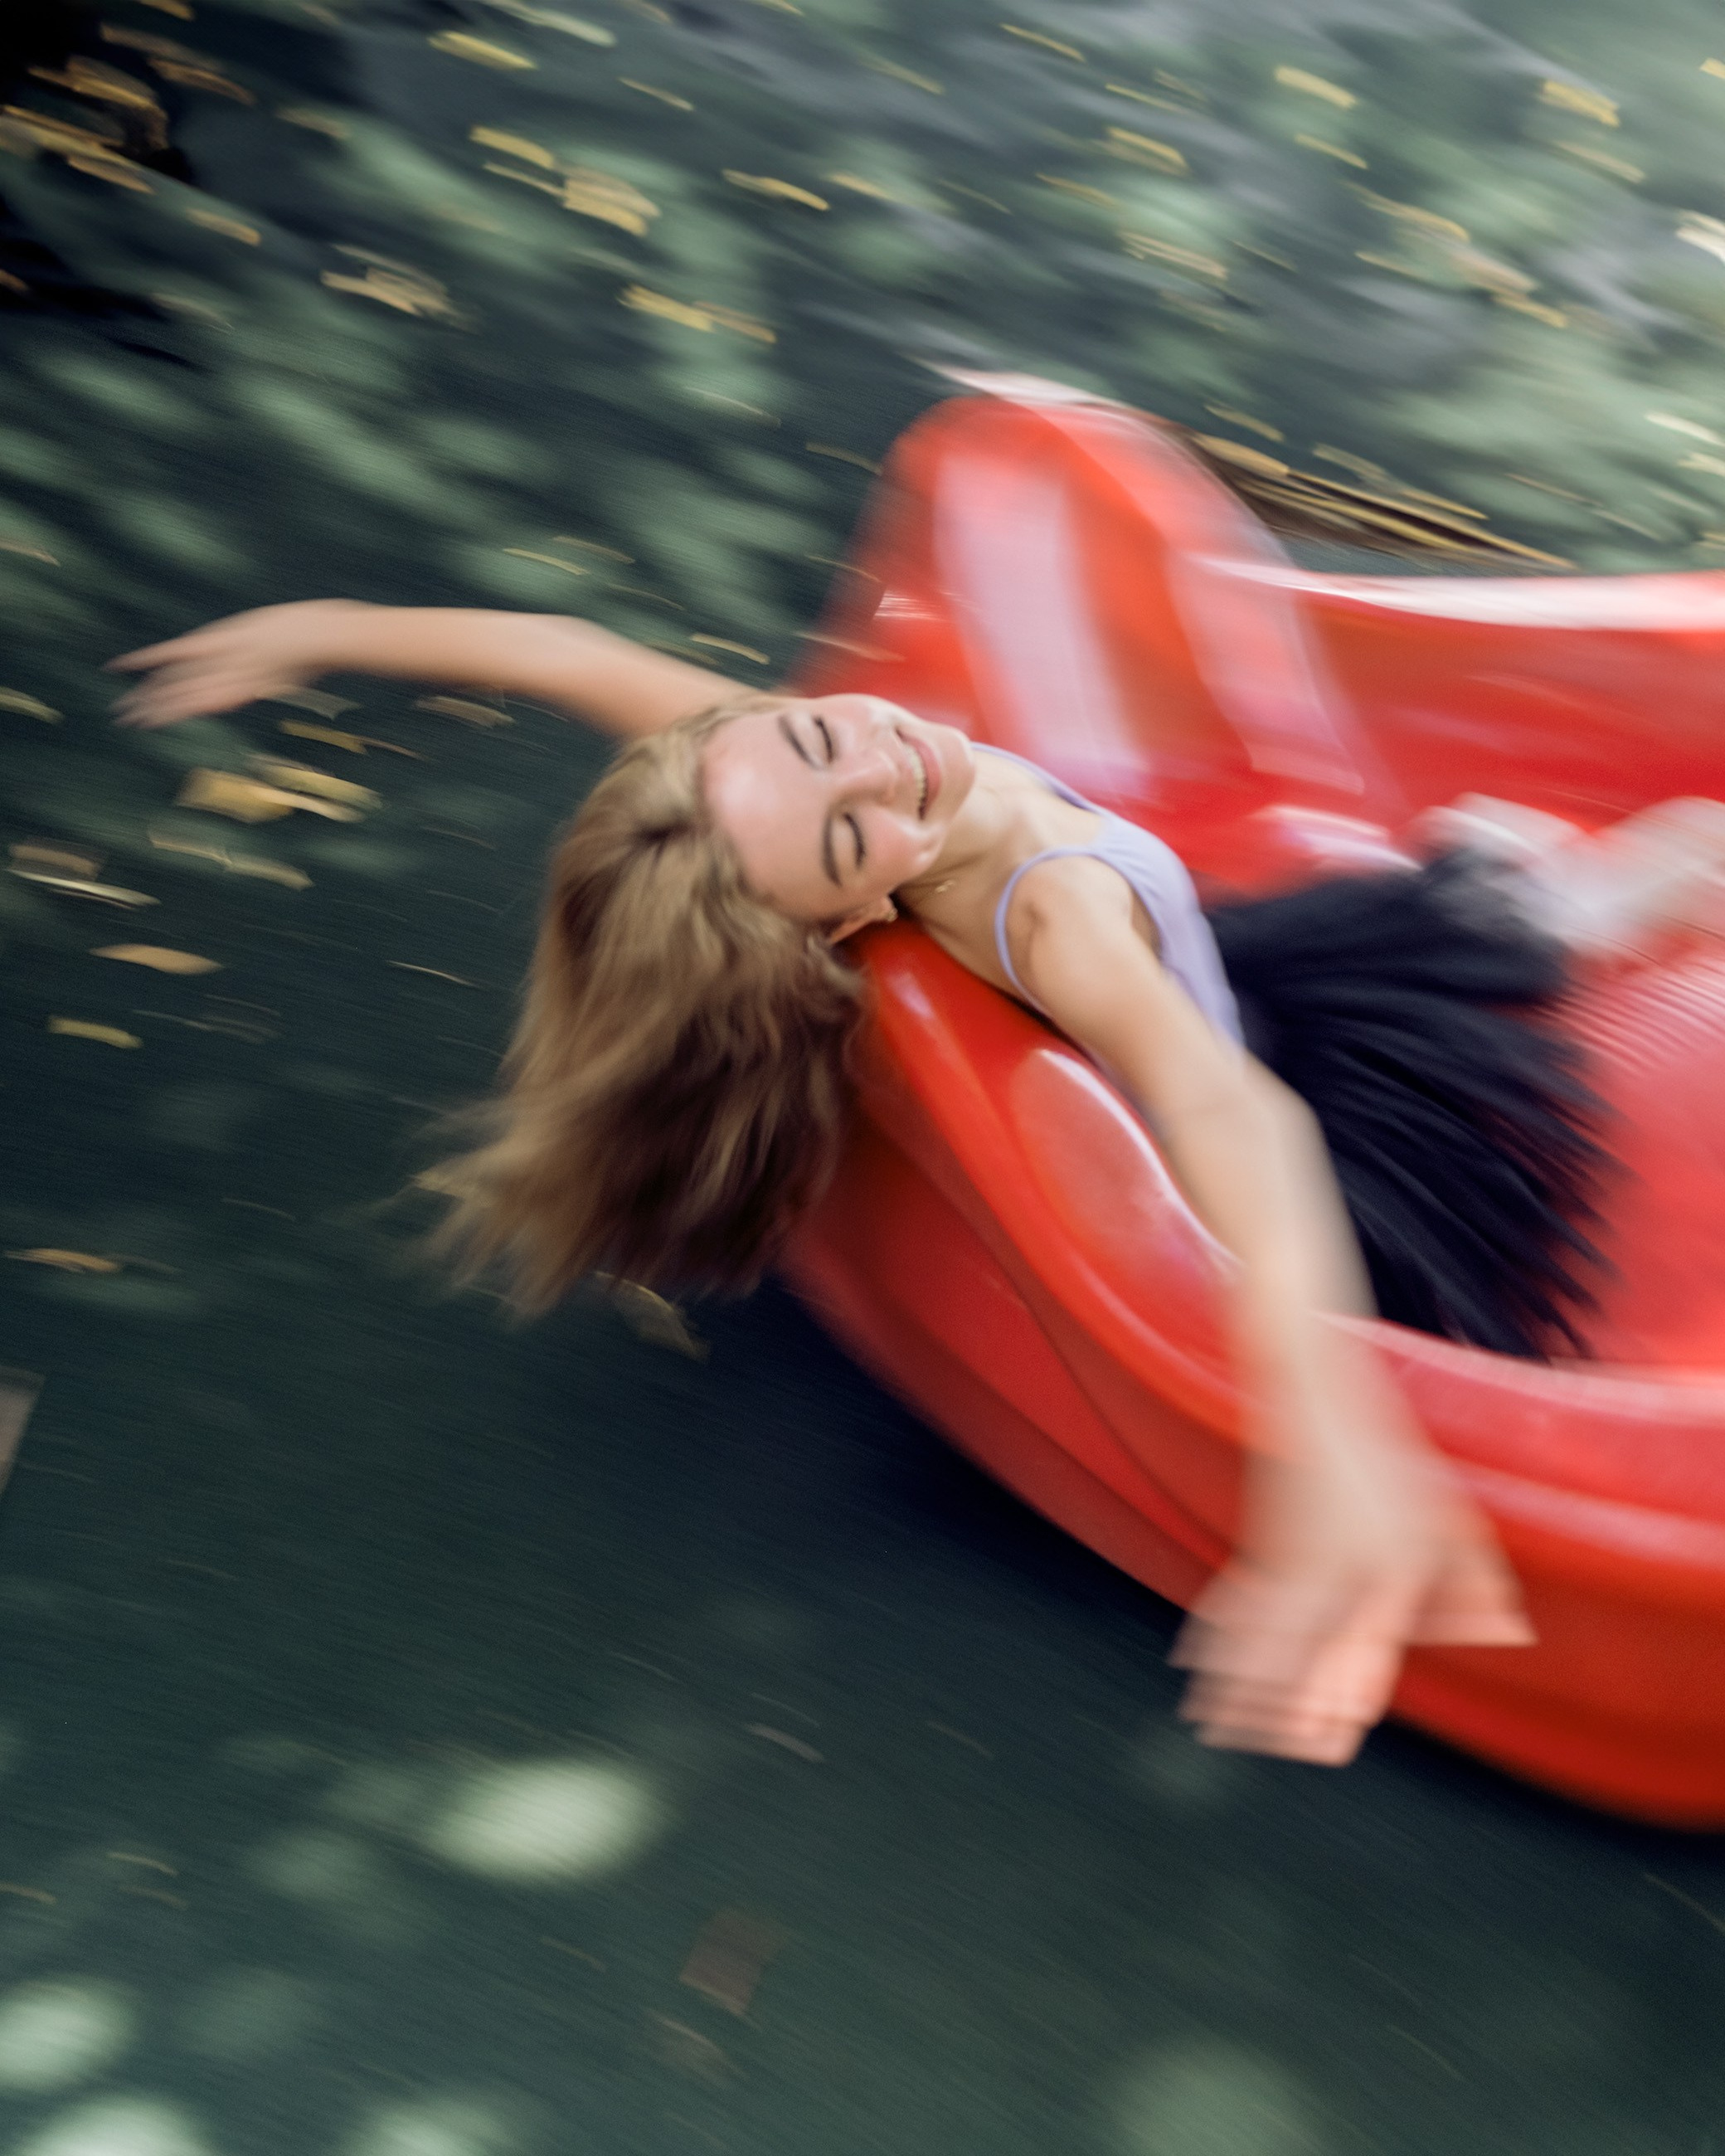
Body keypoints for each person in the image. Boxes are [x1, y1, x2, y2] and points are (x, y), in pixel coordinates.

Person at [109, 599, 1725, 1769]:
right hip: (1281, 1077)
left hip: (1257, 966)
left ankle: (1533, 896)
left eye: (823, 741)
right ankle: (1588, 892)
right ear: (831, 924)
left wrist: (321, 627)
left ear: (743, 724)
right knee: (1574, 907)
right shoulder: (1043, 916)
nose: (893, 776)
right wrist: (1332, 1444)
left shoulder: (749, 764)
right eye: (848, 838)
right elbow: (1229, 1120)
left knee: (1468, 917)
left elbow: (564, 654)